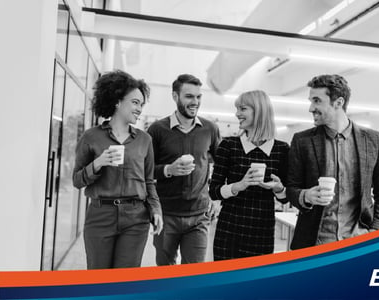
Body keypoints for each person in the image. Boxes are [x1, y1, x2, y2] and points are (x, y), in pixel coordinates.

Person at [287, 74, 379, 250]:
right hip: (315, 243)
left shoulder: (373, 139)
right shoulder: (302, 140)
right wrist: (306, 196)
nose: (310, 108)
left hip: (359, 242)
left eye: (317, 101)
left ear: (338, 102)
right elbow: (291, 187)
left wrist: (376, 230)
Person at [73, 70, 163, 269]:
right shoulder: (91, 137)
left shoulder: (144, 139)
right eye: (135, 102)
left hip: (136, 217)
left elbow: (149, 181)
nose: (139, 108)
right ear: (117, 101)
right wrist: (98, 163)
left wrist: (156, 210)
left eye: (142, 104)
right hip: (100, 215)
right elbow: (77, 180)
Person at [147, 74, 221, 265]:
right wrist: (168, 169)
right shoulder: (157, 130)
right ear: (175, 96)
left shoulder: (210, 129)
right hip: (166, 215)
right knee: (166, 274)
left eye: (198, 97)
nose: (195, 102)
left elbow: (222, 165)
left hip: (199, 216)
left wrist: (216, 197)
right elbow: (144, 171)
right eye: (189, 96)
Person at [209, 90, 289, 260]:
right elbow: (213, 191)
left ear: (259, 111)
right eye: (237, 109)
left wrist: (279, 188)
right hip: (229, 230)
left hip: (262, 232)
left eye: (243, 109)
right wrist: (238, 186)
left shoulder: (282, 150)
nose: (237, 114)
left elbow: (284, 198)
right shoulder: (229, 146)